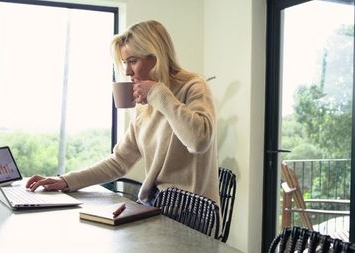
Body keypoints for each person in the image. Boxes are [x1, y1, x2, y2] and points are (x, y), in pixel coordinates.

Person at [26, 20, 220, 206]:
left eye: (132, 61)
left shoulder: (194, 87)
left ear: (157, 57)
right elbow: (119, 161)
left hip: (192, 212)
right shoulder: (145, 105)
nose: (127, 71)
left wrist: (158, 92)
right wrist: (66, 181)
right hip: (156, 205)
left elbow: (198, 141)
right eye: (124, 62)